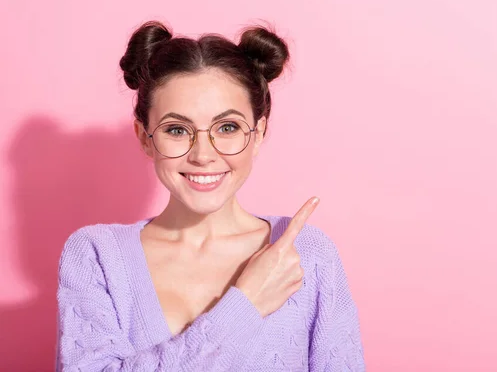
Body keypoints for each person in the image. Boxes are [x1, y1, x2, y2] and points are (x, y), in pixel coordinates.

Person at [56, 20, 365, 371]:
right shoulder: (97, 256)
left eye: (228, 127)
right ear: (145, 136)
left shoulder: (305, 255)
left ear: (258, 133)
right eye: (176, 129)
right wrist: (245, 305)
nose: (203, 154)